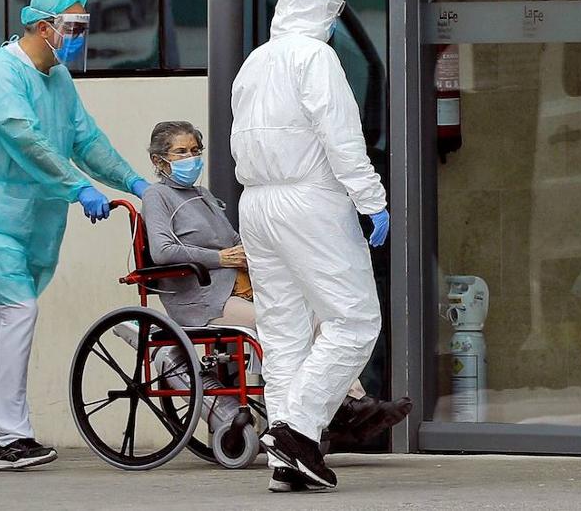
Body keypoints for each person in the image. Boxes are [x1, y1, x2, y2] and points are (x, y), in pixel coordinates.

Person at [0, 0, 150, 471]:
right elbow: (21, 137)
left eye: (82, 26)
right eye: (71, 26)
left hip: (32, 220)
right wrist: (78, 187)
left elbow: (84, 138)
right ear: (42, 26)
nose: (77, 36)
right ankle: (11, 438)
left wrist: (132, 181)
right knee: (16, 314)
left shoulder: (58, 80)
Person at [139, 120, 410, 454]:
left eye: (195, 151)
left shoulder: (202, 195)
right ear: (158, 160)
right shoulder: (157, 196)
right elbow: (163, 251)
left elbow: (235, 240)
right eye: (181, 152)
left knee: (318, 321)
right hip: (201, 298)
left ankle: (351, 403)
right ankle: (349, 406)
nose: (190, 158)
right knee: (284, 324)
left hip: (238, 287)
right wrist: (220, 258)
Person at [231, 0, 390, 493]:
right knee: (354, 320)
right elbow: (341, 138)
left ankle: (285, 463)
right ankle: (297, 430)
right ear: (325, 6)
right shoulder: (316, 58)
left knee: (283, 334)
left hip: (255, 204)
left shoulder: (254, 62)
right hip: (310, 200)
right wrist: (371, 200)